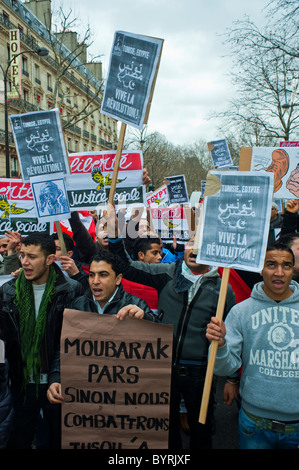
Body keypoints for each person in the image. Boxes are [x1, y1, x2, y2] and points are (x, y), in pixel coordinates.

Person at [107, 209, 236, 449]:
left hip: (201, 374)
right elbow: (126, 265)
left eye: (202, 244)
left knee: (201, 433)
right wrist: (115, 237)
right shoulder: (167, 273)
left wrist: (231, 379)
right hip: (163, 367)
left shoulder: (224, 290)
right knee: (165, 433)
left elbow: (233, 339)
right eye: (190, 242)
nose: (194, 249)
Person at [206, 242, 299, 449]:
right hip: (254, 423)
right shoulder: (240, 312)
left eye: (286, 265)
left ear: (293, 269)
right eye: (271, 264)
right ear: (260, 269)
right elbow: (225, 367)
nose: (279, 272)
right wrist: (220, 345)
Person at [0, 232, 83, 449]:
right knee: (20, 437)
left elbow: (70, 341)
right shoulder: (8, 291)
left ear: (49, 260)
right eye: (23, 255)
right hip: (21, 383)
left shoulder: (70, 290)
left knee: (57, 440)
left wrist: (58, 376)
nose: (25, 262)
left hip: (57, 385)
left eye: (32, 257)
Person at [46, 251, 157, 405]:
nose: (95, 281)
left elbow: (161, 344)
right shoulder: (77, 306)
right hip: (86, 397)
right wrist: (56, 378)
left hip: (124, 397)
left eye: (103, 275)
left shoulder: (136, 305)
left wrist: (145, 319)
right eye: (91, 275)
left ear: (118, 279)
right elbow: (64, 347)